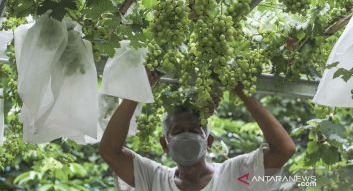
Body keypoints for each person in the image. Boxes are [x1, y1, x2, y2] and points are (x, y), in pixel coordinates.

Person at [99, 71, 296, 191]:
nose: (187, 135)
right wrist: (137, 91)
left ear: (208, 141)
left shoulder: (237, 173)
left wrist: (241, 91)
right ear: (164, 144)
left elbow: (284, 149)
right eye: (177, 131)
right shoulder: (153, 178)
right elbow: (110, 150)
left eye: (194, 129)